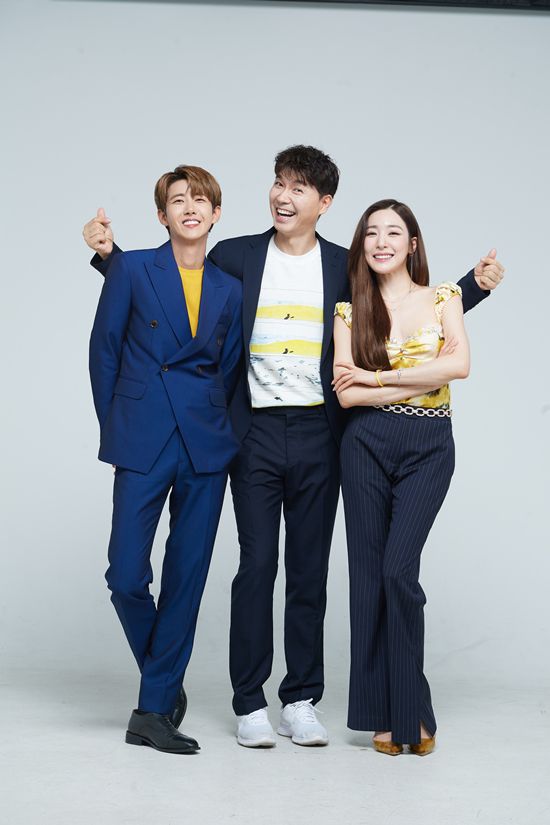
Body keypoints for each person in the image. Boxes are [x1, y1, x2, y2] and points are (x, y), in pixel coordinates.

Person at [83, 146, 504, 749]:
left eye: (299, 188)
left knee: (309, 570)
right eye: (278, 183)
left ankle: (301, 698)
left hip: (321, 434)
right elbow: (173, 286)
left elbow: (400, 293)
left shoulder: (343, 265)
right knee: (255, 566)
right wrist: (110, 259)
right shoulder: (235, 255)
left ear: (323, 203)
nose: (283, 196)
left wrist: (471, 289)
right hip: (249, 432)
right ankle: (249, 701)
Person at [333, 199, 496, 756]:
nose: (381, 242)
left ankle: (410, 708)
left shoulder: (444, 297)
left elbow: (459, 367)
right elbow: (346, 395)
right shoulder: (349, 311)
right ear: (362, 245)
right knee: (368, 580)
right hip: (364, 446)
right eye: (371, 233)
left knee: (398, 572)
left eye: (393, 233)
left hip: (429, 445)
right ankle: (389, 716)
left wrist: (376, 377)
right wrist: (416, 375)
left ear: (412, 244)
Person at [89, 165, 242, 754]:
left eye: (200, 200)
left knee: (186, 577)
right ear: (162, 215)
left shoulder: (229, 287)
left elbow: (229, 370)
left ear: (216, 213)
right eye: (178, 200)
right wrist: (118, 428)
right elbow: (104, 352)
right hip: (143, 436)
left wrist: (222, 436)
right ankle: (164, 678)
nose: (190, 208)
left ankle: (151, 712)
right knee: (126, 575)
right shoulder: (131, 269)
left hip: (204, 445)